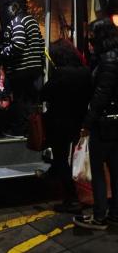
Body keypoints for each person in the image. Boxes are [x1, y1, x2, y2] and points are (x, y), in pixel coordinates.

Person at [73, 18, 118, 230]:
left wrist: (87, 123)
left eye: (92, 35)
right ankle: (115, 213)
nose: (89, 40)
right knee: (115, 170)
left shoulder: (108, 60)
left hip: (105, 124)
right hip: (114, 123)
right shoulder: (111, 56)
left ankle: (100, 215)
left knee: (98, 171)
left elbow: (100, 96)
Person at [41, 39, 92, 213]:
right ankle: (55, 177)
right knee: (68, 158)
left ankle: (71, 198)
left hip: (59, 123)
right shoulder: (86, 72)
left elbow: (44, 93)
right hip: (77, 121)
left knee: (61, 159)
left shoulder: (60, 73)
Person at [0, 0, 44, 137]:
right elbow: (41, 43)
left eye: (9, 7)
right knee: (30, 101)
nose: (8, 10)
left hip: (21, 68)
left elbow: (18, 44)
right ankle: (31, 130)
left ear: (15, 7)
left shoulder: (17, 21)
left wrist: (4, 51)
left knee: (19, 100)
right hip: (34, 68)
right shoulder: (31, 20)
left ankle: (19, 130)